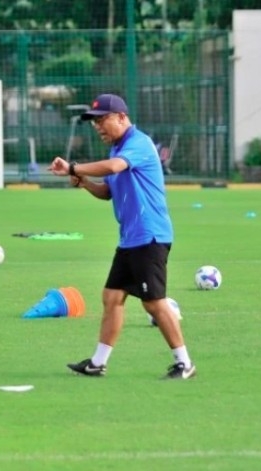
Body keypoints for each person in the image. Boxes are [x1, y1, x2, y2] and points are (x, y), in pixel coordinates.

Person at [47, 93, 196, 380]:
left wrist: (73, 167)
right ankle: (97, 363)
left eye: (102, 120)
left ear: (122, 117)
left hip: (149, 236)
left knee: (153, 302)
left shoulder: (138, 143)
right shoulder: (118, 149)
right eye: (95, 123)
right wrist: (84, 182)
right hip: (130, 238)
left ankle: (185, 363)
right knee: (112, 296)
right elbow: (107, 191)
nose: (98, 127)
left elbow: (114, 167)